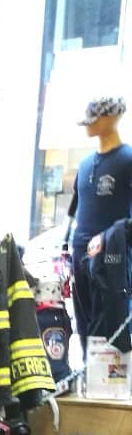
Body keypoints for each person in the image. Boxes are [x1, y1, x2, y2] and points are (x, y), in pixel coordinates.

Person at [67, 97, 132, 355]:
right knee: (83, 324)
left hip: (112, 259)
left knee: (109, 326)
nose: (88, 127)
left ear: (110, 119)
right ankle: (88, 378)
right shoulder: (84, 165)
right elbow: (75, 212)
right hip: (80, 256)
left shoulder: (128, 160)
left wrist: (108, 236)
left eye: (93, 121)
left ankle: (109, 387)